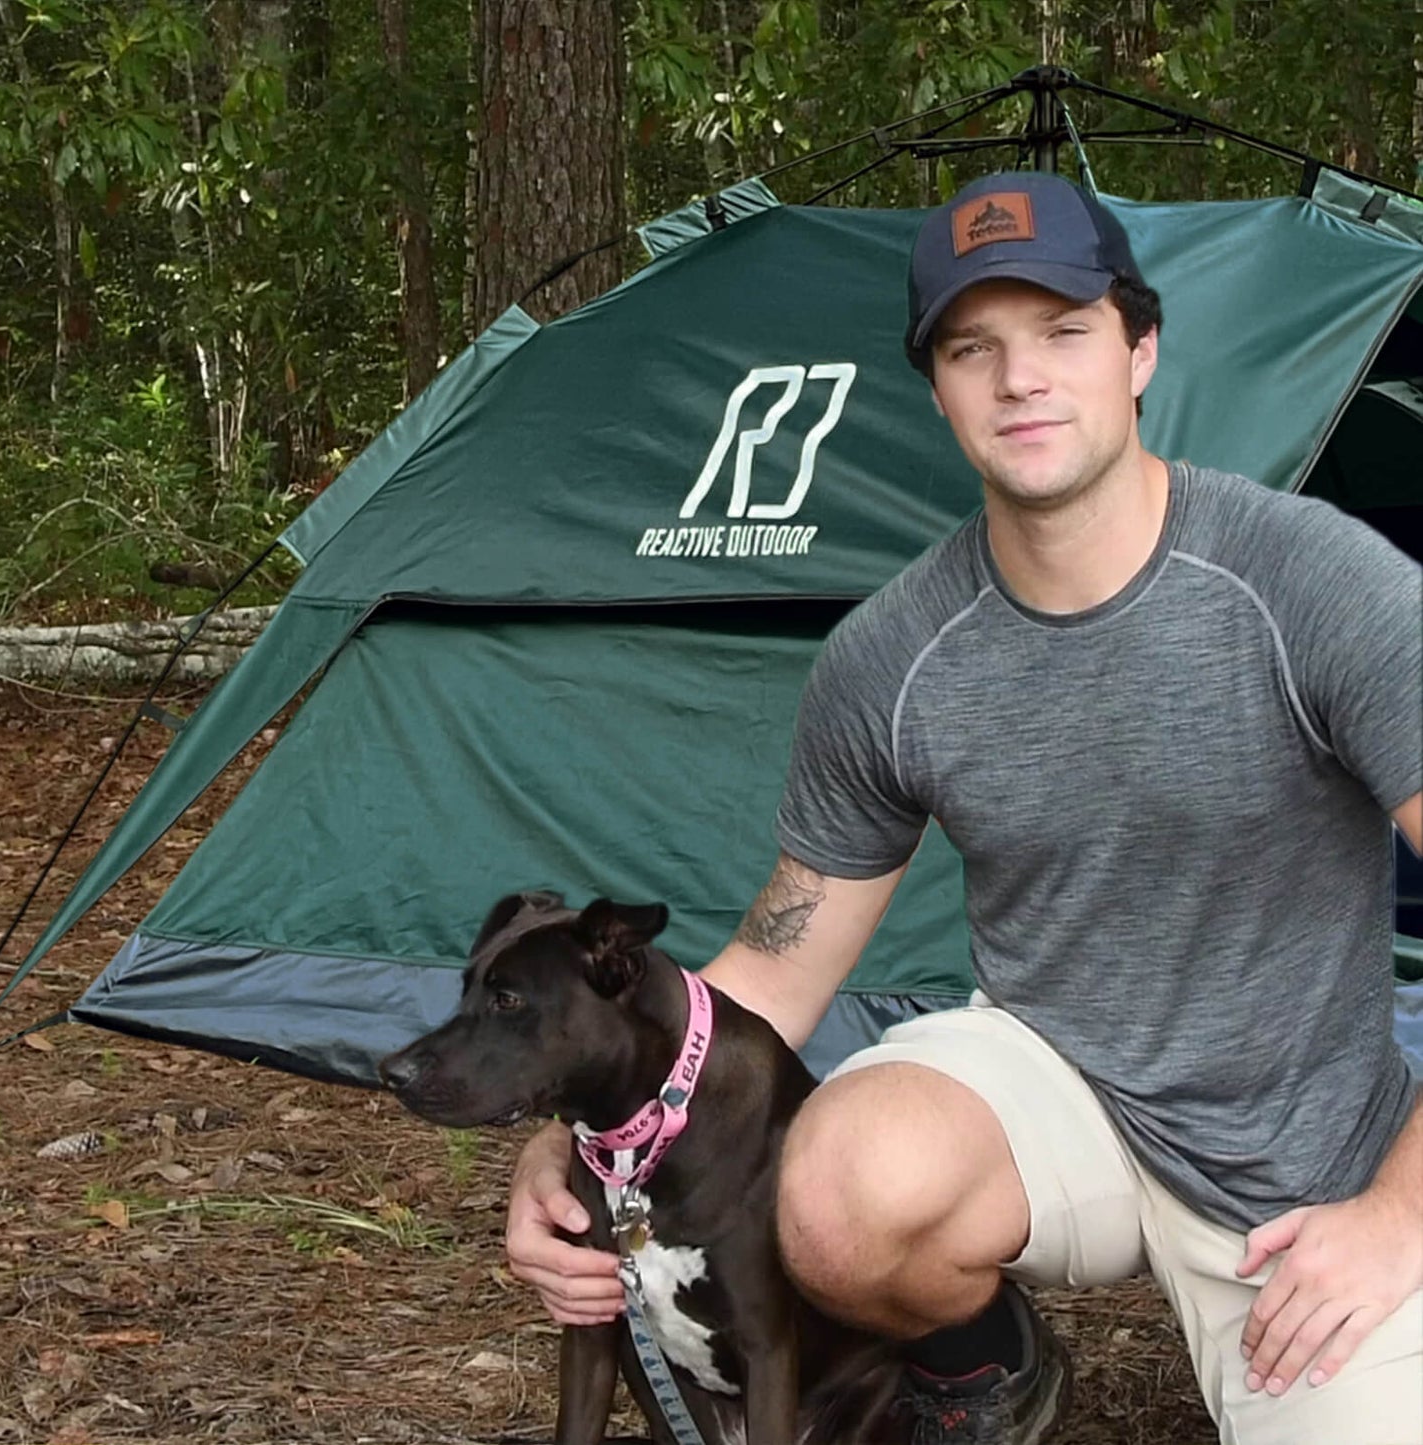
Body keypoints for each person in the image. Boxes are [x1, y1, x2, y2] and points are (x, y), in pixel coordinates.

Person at [506, 170, 1423, 1445]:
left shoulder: (1312, 586)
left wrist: (1397, 1213)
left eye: (1061, 331)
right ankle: (984, 1362)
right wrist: (592, 1132)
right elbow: (769, 977)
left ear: (1140, 345)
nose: (1019, 379)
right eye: (970, 347)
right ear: (932, 383)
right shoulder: (892, 655)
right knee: (833, 1186)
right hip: (1050, 1082)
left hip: (1303, 1145)